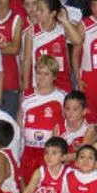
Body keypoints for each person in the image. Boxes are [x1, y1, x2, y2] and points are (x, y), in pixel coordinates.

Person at [18, 56, 66, 184]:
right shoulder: (26, 95)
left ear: (54, 76)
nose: (41, 77)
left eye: (46, 74)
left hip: (50, 152)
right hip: (29, 150)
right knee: (27, 186)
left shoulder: (61, 97)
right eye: (39, 73)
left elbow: (66, 124)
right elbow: (20, 119)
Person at [22, 0, 82, 93]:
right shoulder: (31, 32)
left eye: (41, 10)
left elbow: (78, 40)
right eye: (37, 9)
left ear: (52, 13)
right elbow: (27, 61)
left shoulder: (62, 29)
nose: (37, 13)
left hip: (63, 84)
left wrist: (65, 21)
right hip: (41, 85)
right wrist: (25, 88)